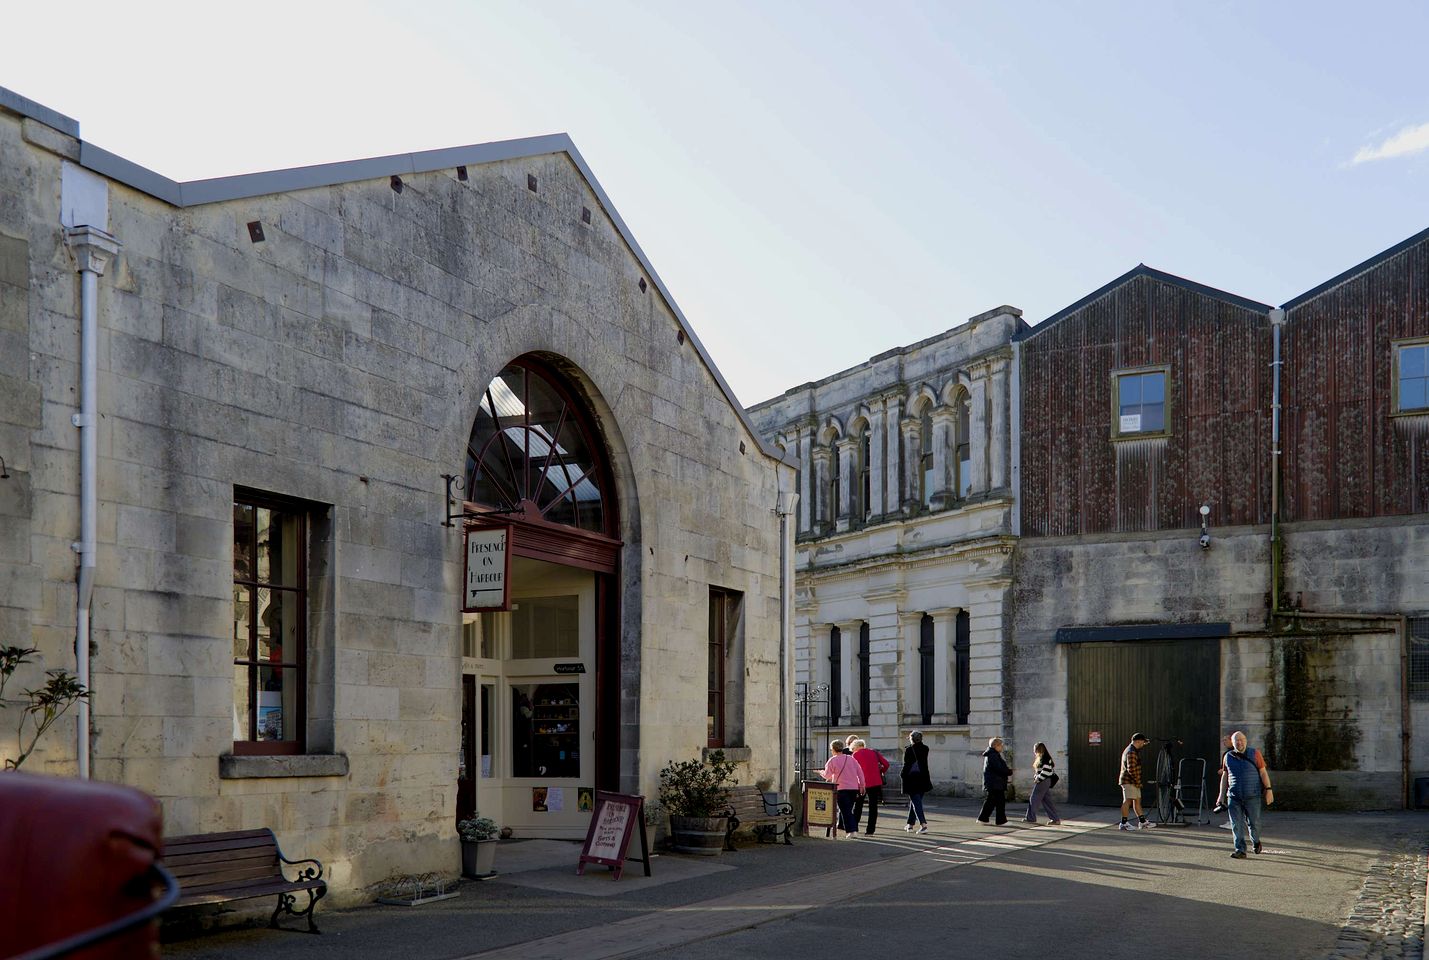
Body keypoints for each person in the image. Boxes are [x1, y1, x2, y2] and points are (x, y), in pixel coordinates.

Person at [1216, 730, 1273, 858]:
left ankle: (1256, 841)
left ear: (1246, 741)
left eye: (1242, 740)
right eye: (1236, 740)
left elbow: (1263, 773)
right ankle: (1240, 850)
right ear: (1232, 742)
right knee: (1236, 825)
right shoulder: (1227, 757)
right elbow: (1225, 777)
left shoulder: (1255, 754)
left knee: (1254, 823)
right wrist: (1221, 796)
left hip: (1252, 796)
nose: (1239, 742)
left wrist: (1269, 790)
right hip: (1234, 796)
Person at [820, 738, 866, 839]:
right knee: (849, 810)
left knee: (845, 811)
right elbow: (860, 773)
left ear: (833, 749)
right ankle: (852, 829)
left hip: (841, 788)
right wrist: (862, 786)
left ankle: (852, 831)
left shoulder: (832, 760)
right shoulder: (851, 759)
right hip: (853, 788)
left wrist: (820, 772)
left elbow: (827, 775)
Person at [850, 738, 891, 835]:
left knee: (858, 806)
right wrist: (881, 771)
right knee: (873, 807)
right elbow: (886, 764)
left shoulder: (855, 755)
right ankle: (870, 831)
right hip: (875, 782)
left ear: (856, 747)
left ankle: (854, 828)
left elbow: (852, 770)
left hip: (861, 783)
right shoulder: (874, 752)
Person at [1118, 733, 1154, 830]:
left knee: (1137, 800)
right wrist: (1137, 782)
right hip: (1129, 781)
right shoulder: (1131, 752)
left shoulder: (1131, 750)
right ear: (1138, 741)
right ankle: (1123, 823)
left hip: (1132, 780)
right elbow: (1132, 769)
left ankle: (1142, 822)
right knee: (1127, 800)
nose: (1143, 744)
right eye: (1143, 742)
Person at [1023, 742, 1062, 825]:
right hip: (1045, 781)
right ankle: (1055, 819)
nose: (1034, 751)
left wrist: (1038, 779)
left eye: (1035, 749)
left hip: (1043, 781)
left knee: (1033, 799)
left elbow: (1046, 771)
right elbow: (1042, 771)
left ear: (1038, 749)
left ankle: (1030, 818)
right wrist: (1036, 776)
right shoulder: (1044, 758)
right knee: (1047, 801)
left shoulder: (1045, 758)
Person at [977, 737, 1012, 825]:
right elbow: (999, 768)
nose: (1002, 747)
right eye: (1001, 746)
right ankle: (1000, 820)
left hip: (994, 783)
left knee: (992, 802)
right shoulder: (993, 755)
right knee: (998, 802)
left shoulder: (992, 754)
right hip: (995, 783)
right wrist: (1009, 771)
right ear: (996, 746)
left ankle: (984, 818)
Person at [902, 730, 932, 833]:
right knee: (915, 802)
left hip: (912, 779)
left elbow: (907, 765)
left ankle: (923, 825)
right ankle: (910, 825)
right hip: (923, 778)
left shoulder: (909, 750)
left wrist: (902, 775)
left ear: (912, 739)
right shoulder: (925, 748)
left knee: (916, 803)